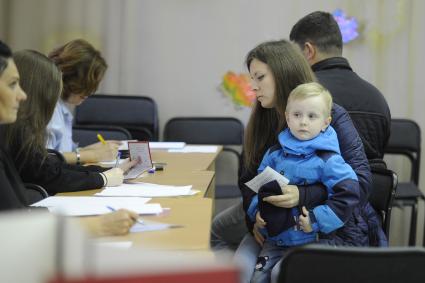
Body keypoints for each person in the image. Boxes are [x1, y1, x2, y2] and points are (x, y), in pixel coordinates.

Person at [0, 40, 137, 237]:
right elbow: (13, 230)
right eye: (13, 84)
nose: (22, 95)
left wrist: (104, 172)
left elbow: (17, 213)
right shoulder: (16, 133)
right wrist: (95, 225)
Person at [239, 82, 360, 283]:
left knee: (283, 276)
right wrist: (256, 212)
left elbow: (349, 192)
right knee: (258, 278)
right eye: (297, 115)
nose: (303, 122)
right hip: (274, 238)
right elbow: (258, 187)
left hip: (313, 241)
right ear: (287, 117)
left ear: (325, 122)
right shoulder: (274, 153)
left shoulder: (328, 159)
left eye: (312, 116)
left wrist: (316, 219)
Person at [289, 11, 391, 159]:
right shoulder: (377, 98)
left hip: (317, 182)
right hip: (371, 182)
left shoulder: (300, 94)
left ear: (309, 50)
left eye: (296, 55)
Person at [46, 39, 120, 165]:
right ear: (69, 76)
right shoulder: (48, 108)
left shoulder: (60, 106)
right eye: (87, 84)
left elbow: (61, 152)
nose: (91, 92)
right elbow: (46, 159)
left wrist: (90, 150)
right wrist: (93, 155)